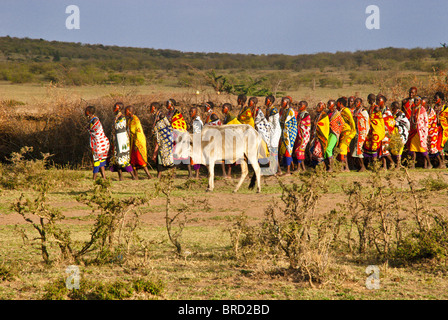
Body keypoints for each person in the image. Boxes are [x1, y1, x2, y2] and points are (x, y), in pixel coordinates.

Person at [109, 102, 136, 181]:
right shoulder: (117, 117)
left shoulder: (122, 118)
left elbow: (118, 128)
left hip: (121, 139)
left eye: (115, 106)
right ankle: (120, 177)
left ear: (118, 108)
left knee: (122, 158)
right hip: (117, 139)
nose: (114, 108)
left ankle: (133, 176)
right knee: (117, 159)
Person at [125, 105, 152, 179]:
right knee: (133, 159)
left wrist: (136, 144)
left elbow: (138, 132)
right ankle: (135, 176)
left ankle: (149, 175)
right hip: (131, 141)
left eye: (126, 110)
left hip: (137, 141)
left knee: (140, 158)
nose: (125, 112)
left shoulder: (136, 120)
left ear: (130, 111)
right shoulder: (129, 120)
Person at [150, 102, 174, 179]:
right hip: (160, 138)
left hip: (165, 139)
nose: (150, 108)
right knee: (160, 156)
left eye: (152, 107)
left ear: (155, 107)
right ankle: (159, 174)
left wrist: (168, 136)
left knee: (166, 156)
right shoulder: (155, 116)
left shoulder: (161, 115)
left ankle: (172, 174)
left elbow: (168, 126)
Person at [85, 105, 110, 180]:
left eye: (86, 111)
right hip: (99, 142)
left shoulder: (94, 120)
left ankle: (94, 178)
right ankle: (104, 177)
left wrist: (89, 129)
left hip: (99, 143)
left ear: (88, 112)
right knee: (101, 160)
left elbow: (96, 131)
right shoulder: (93, 119)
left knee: (97, 160)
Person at [407, 96, 431, 168]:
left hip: (420, 132)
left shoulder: (422, 110)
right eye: (415, 100)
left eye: (417, 100)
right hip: (413, 131)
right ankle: (413, 165)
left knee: (422, 149)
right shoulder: (413, 109)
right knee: (412, 148)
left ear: (420, 101)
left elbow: (426, 121)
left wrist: (425, 132)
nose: (416, 102)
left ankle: (429, 163)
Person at [363, 93, 385, 165]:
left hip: (376, 130)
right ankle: (372, 164)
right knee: (369, 147)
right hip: (371, 130)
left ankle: (375, 165)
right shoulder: (371, 107)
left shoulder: (376, 108)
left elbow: (379, 119)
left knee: (374, 147)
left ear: (369, 100)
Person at [279, 96, 298, 175]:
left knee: (288, 151)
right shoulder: (284, 111)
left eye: (282, 102)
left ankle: (288, 171)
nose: (281, 103)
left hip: (290, 133)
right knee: (284, 151)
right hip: (284, 133)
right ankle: (289, 168)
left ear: (287, 103)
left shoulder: (290, 111)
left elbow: (288, 123)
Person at [336, 97, 356, 172]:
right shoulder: (341, 111)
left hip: (347, 132)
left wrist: (353, 131)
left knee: (342, 148)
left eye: (337, 103)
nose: (336, 105)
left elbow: (351, 121)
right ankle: (346, 167)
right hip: (343, 132)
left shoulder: (346, 110)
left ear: (340, 103)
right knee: (344, 150)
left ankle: (342, 167)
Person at [350, 98, 369, 172]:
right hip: (356, 132)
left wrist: (365, 132)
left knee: (359, 149)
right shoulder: (355, 111)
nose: (355, 103)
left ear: (361, 103)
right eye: (355, 102)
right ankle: (359, 166)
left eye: (357, 102)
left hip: (362, 132)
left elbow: (367, 122)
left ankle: (363, 167)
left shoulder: (363, 111)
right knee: (354, 149)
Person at [265, 95, 282, 175]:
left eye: (267, 100)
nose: (265, 101)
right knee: (272, 150)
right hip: (271, 131)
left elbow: (275, 124)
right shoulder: (268, 109)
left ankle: (275, 170)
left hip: (275, 131)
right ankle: (277, 170)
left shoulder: (274, 110)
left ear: (270, 101)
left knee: (273, 149)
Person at [390, 101, 410, 169]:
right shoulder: (394, 114)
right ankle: (396, 164)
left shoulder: (400, 114)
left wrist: (406, 130)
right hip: (395, 133)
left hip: (401, 133)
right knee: (395, 148)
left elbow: (407, 123)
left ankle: (398, 165)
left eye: (392, 107)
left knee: (399, 148)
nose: (391, 108)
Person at [309, 102, 330, 166]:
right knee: (313, 152)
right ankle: (315, 166)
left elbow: (324, 126)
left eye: (319, 106)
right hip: (315, 136)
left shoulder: (324, 116)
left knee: (319, 153)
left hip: (321, 137)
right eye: (317, 106)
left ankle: (321, 167)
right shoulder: (317, 115)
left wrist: (316, 125)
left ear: (323, 108)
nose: (317, 107)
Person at [326, 99, 344, 172]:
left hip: (334, 133)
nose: (328, 105)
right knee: (327, 149)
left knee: (329, 149)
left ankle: (331, 167)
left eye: (329, 104)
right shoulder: (328, 113)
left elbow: (341, 123)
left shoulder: (337, 114)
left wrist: (335, 128)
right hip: (328, 133)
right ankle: (330, 166)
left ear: (333, 105)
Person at [378, 95, 395, 170]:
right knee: (381, 150)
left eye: (379, 100)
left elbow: (391, 122)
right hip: (380, 132)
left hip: (386, 133)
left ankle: (392, 163)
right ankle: (384, 166)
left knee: (384, 149)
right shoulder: (379, 110)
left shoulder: (387, 111)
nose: (377, 102)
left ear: (383, 102)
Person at [425, 96, 444, 168]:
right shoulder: (426, 110)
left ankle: (441, 163)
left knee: (434, 148)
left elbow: (435, 122)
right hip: (427, 131)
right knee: (426, 148)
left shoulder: (432, 111)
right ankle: (428, 164)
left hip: (434, 131)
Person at [293, 101, 311, 171]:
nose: (299, 106)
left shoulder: (306, 114)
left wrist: (299, 122)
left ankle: (299, 168)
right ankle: (303, 168)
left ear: (305, 106)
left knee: (299, 150)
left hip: (304, 135)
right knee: (299, 151)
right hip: (299, 135)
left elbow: (307, 124)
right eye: (299, 104)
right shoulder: (300, 114)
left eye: (301, 105)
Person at [188, 106, 203, 179]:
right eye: (190, 111)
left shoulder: (197, 121)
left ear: (196, 112)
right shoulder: (192, 120)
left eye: (192, 111)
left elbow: (198, 133)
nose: (190, 113)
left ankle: (197, 175)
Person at [434, 91, 448, 168]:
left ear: (441, 99)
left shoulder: (445, 108)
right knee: (435, 146)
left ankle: (442, 163)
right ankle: (440, 163)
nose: (435, 99)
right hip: (436, 129)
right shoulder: (434, 108)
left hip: (443, 130)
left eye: (436, 98)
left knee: (440, 146)